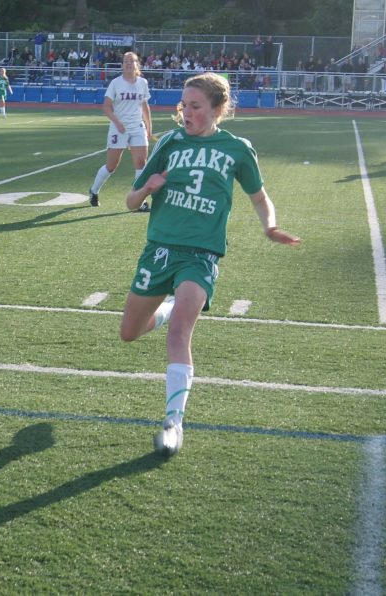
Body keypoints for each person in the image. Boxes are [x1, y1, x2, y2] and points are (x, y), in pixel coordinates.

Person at [120, 72, 301, 456]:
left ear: (218, 109)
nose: (186, 112)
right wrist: (147, 188)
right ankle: (165, 309)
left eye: (196, 106)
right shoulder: (169, 143)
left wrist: (270, 226)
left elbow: (259, 198)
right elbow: (130, 201)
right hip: (159, 249)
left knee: (180, 333)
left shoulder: (237, 149)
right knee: (129, 333)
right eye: (184, 105)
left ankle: (173, 422)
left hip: (201, 253)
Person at [88, 51, 152, 211]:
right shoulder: (116, 83)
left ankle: (139, 202)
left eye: (132, 61)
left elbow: (144, 106)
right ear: (122, 65)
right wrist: (117, 123)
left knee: (141, 164)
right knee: (111, 166)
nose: (129, 64)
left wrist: (149, 127)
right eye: (126, 61)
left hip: (137, 128)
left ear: (137, 64)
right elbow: (106, 107)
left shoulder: (143, 82)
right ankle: (94, 191)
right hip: (119, 129)